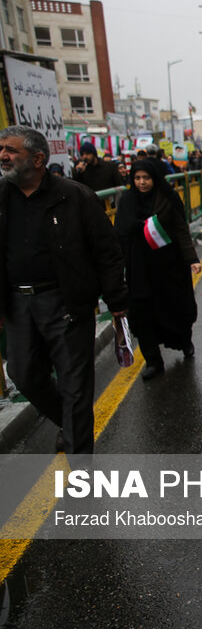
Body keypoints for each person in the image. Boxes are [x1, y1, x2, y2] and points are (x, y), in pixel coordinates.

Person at [0, 126, 128, 454]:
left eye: (11, 150)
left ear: (38, 158)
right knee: (23, 375)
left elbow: (107, 251)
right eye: (2, 149)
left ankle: (80, 468)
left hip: (65, 303)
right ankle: (70, 421)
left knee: (75, 387)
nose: (3, 156)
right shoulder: (2, 196)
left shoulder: (74, 197)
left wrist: (116, 301)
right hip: (17, 304)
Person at [114, 159, 200, 381]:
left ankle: (184, 341)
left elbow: (181, 229)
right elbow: (119, 234)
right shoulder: (126, 201)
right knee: (143, 316)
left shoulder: (167, 198)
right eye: (137, 178)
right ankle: (153, 361)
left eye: (146, 178)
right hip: (139, 270)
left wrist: (191, 258)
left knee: (176, 309)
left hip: (168, 267)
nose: (142, 183)